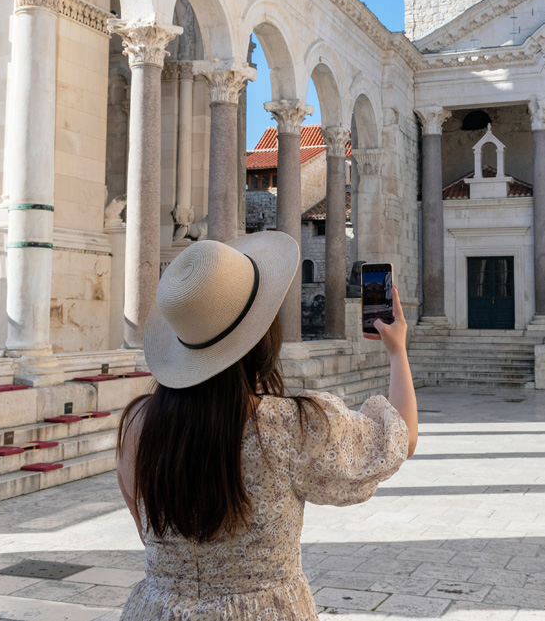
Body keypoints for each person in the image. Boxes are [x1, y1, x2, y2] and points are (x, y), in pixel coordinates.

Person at [116, 232, 416, 619]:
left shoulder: (138, 424)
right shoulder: (290, 425)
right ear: (262, 337)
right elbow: (398, 439)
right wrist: (397, 351)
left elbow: (149, 533)